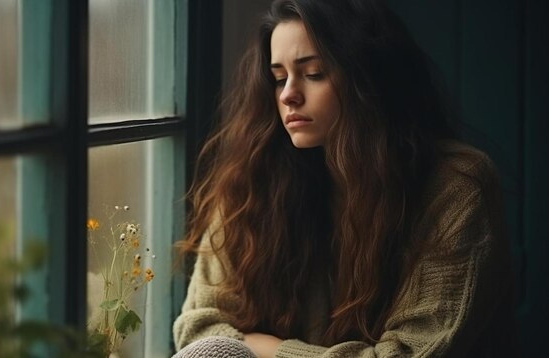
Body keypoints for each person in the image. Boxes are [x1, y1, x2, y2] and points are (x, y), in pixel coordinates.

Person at [173, 0, 515, 356]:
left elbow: (408, 353)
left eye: (314, 73)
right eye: (278, 79)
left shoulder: (456, 187)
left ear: (368, 77)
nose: (289, 94)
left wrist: (274, 351)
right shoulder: (256, 177)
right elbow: (200, 328)